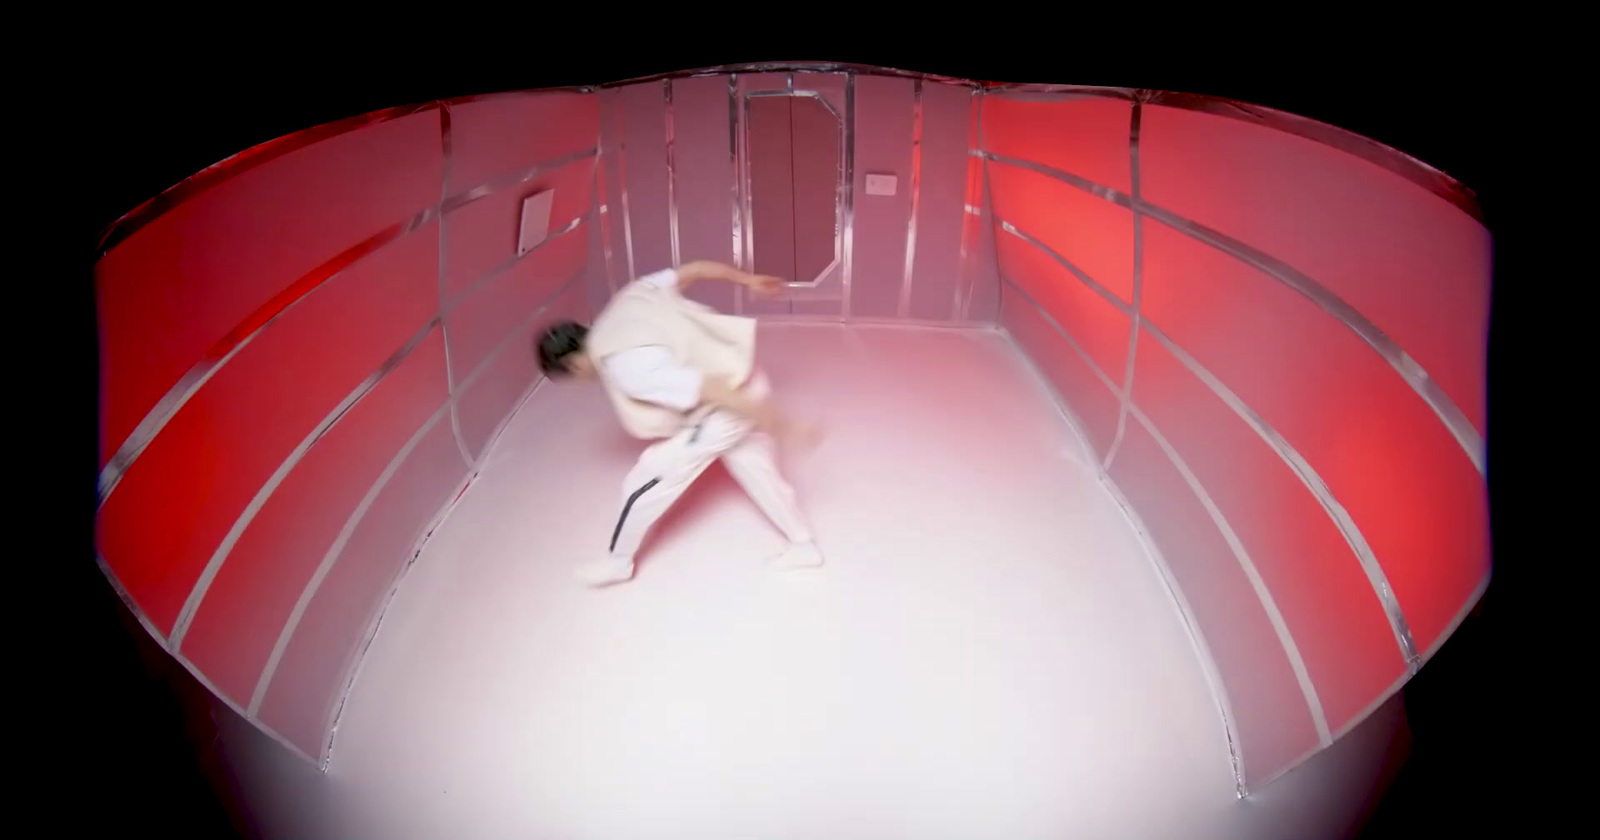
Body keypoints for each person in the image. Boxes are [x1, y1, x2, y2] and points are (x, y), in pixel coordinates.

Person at [535, 260, 824, 586]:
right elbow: (695, 269)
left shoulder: (627, 366)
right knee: (755, 467)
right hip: (746, 376)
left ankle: (618, 561)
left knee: (647, 478)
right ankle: (804, 546)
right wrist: (748, 280)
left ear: (572, 366)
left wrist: (782, 426)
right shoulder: (630, 297)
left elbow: (713, 389)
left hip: (729, 405)